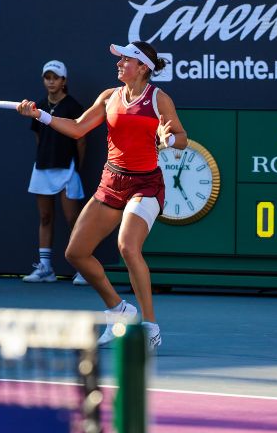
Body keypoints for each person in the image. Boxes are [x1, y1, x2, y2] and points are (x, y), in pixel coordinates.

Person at [15, 41, 188, 350]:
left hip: (146, 185)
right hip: (112, 182)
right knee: (76, 253)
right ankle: (119, 310)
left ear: (143, 67)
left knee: (127, 246)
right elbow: (79, 128)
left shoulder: (159, 99)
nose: (119, 63)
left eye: (126, 60)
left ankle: (150, 326)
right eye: (119, 59)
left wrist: (169, 136)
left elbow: (181, 138)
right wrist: (40, 115)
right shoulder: (109, 97)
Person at [22, 60, 89, 286]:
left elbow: (80, 140)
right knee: (45, 217)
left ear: (64, 81)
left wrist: (76, 166)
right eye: (47, 77)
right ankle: (46, 268)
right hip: (42, 167)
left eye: (55, 78)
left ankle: (83, 268)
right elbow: (39, 138)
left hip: (67, 169)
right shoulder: (38, 106)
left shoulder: (73, 107)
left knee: (73, 219)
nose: (51, 81)